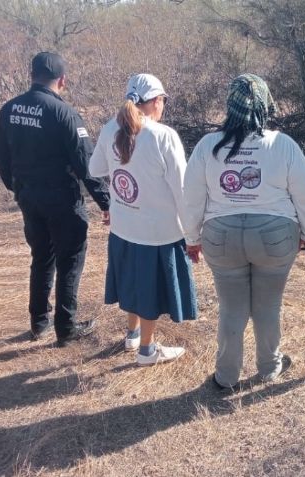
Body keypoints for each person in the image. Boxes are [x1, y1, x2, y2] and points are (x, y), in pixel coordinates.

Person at [184, 74, 305, 390]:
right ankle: (270, 367)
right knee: (267, 306)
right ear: (264, 104)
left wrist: (192, 238)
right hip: (275, 235)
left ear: (230, 105)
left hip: (221, 236)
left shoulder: (207, 145)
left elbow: (191, 197)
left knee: (232, 308)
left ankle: (226, 376)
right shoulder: (282, 144)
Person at [0, 52, 110, 347]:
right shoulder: (64, 113)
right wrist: (108, 203)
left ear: (31, 74)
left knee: (42, 257)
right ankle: (66, 328)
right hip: (61, 199)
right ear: (62, 80)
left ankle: (39, 322)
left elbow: (1, 160)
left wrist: (18, 189)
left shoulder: (8, 110)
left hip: (29, 198)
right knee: (70, 260)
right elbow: (88, 166)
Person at [88, 74, 197, 366]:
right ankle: (147, 351)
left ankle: (132, 334)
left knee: (134, 281)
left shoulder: (111, 128)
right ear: (156, 101)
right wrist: (193, 236)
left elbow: (95, 167)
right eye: (163, 100)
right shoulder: (163, 136)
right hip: (158, 232)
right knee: (149, 289)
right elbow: (182, 191)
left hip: (123, 227)